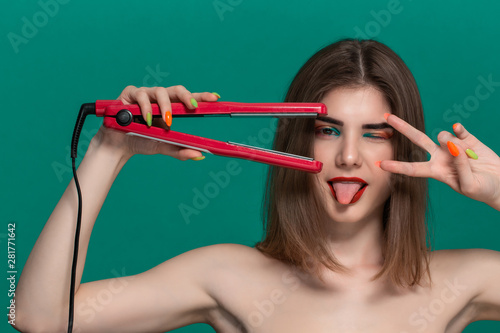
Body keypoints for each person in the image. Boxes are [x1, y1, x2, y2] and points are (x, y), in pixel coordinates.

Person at [13, 39, 500, 333]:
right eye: (327, 130)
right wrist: (109, 150)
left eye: (374, 134)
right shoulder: (227, 273)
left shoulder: (462, 280)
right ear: (297, 140)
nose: (349, 155)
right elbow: (39, 319)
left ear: (403, 151)